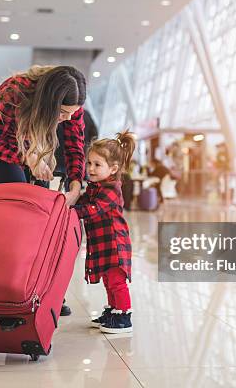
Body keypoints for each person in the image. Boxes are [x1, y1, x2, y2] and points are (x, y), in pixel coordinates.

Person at [0, 65, 87, 316]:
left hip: (39, 146)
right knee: (19, 217)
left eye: (74, 113)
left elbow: (74, 146)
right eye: (62, 113)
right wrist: (28, 160)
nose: (68, 118)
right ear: (49, 104)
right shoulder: (15, 92)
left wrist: (76, 184)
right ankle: (11, 288)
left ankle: (43, 291)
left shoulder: (72, 109)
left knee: (43, 219)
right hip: (0, 147)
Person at [72, 130, 136, 334]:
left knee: (117, 282)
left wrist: (74, 211)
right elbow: (83, 200)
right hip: (104, 243)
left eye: (97, 165)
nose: (90, 168)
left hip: (115, 244)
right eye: (89, 163)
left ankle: (124, 316)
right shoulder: (95, 187)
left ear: (113, 168)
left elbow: (94, 209)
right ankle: (113, 311)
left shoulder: (111, 189)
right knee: (108, 280)